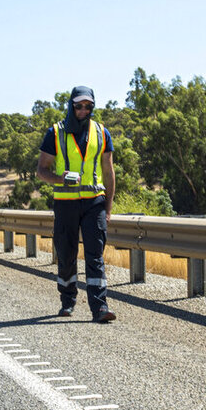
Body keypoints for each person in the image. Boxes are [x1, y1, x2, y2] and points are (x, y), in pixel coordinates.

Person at [37, 86, 117, 323]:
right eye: (79, 106)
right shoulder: (55, 133)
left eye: (88, 106)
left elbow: (108, 171)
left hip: (94, 203)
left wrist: (109, 208)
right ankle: (67, 301)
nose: (84, 110)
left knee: (95, 256)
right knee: (66, 254)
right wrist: (59, 179)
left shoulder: (102, 133)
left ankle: (100, 307)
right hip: (65, 203)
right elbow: (42, 170)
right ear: (71, 105)